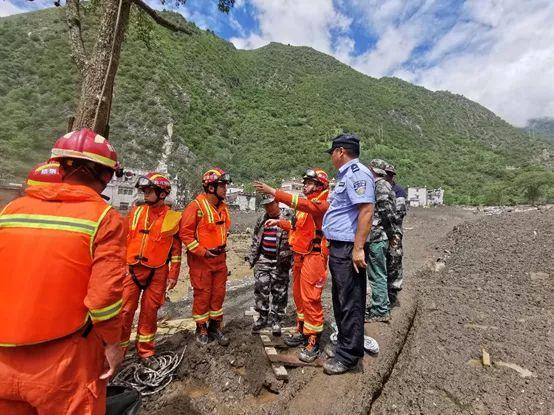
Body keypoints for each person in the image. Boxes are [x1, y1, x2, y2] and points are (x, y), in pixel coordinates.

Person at [0, 128, 126, 413]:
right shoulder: (104, 218)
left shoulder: (11, 211)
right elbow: (104, 299)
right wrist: (113, 344)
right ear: (105, 175)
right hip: (65, 362)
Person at [254, 168, 330, 363]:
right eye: (304, 182)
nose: (305, 185)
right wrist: (279, 223)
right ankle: (303, 332)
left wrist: (273, 191)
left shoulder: (323, 201)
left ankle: (313, 339)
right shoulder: (306, 205)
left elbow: (307, 207)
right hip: (300, 255)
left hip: (314, 257)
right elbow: (297, 226)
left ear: (320, 184)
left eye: (309, 182)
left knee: (311, 298)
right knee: (299, 297)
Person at [321, 133, 375, 375]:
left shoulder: (357, 174)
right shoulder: (345, 176)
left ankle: (349, 356)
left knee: (351, 301)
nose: (331, 157)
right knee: (340, 299)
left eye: (332, 152)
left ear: (340, 151)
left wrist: (358, 248)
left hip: (347, 248)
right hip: (338, 247)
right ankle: (344, 344)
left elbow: (366, 211)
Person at [120, 172, 182, 363]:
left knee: (150, 312)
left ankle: (145, 352)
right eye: (144, 190)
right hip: (131, 269)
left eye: (149, 190)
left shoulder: (172, 218)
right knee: (124, 311)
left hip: (158, 271)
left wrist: (173, 274)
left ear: (162, 193)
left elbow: (176, 249)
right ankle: (118, 352)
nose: (145, 194)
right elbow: (123, 240)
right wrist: (120, 265)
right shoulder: (135, 212)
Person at [179, 168, 232, 346]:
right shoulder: (196, 207)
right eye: (222, 186)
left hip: (219, 260)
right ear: (211, 188)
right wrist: (202, 251)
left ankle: (215, 326)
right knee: (202, 294)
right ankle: (201, 326)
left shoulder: (223, 208)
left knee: (218, 294)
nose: (225, 189)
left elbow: (224, 230)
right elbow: (185, 234)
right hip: (201, 262)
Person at [247, 194, 293, 336]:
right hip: (264, 259)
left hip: (281, 260)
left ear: (277, 202)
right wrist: (252, 257)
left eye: (270, 204)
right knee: (261, 288)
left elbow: (297, 234)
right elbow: (256, 238)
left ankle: (276, 320)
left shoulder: (288, 217)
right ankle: (262, 318)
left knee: (279, 292)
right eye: (265, 205)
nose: (268, 207)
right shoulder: (262, 219)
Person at [365, 159, 401, 323]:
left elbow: (387, 211)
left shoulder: (380, 185)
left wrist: (393, 233)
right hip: (377, 236)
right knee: (376, 272)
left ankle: (380, 310)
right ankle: (379, 306)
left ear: (372, 169)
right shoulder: (382, 184)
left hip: (377, 237)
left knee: (377, 273)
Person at [384, 163, 407, 307]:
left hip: (393, 231)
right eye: (387, 174)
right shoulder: (378, 189)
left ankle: (393, 292)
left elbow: (399, 213)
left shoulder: (398, 191)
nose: (388, 177)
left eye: (390, 174)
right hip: (379, 231)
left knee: (394, 260)